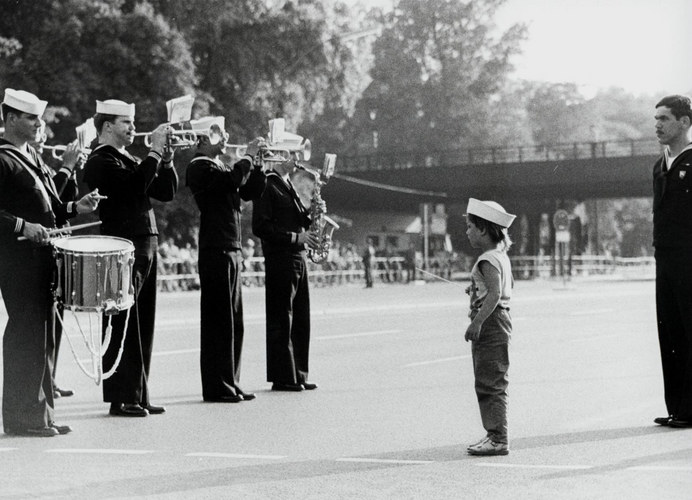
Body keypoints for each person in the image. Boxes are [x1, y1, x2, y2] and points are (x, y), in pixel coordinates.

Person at [0, 88, 101, 436]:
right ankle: (21, 417)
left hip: (42, 258)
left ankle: (41, 415)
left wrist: (77, 207)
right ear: (11, 119)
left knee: (41, 337)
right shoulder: (3, 159)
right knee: (26, 335)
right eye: (32, 118)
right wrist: (21, 225)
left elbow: (54, 207)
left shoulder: (31, 157)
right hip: (17, 260)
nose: (39, 124)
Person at [83, 99, 178, 417]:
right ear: (107, 126)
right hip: (123, 246)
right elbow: (134, 187)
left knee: (143, 322)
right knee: (124, 320)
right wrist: (152, 152)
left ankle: (138, 390)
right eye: (126, 123)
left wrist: (165, 160)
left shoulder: (125, 158)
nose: (133, 128)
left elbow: (165, 192)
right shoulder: (100, 161)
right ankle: (121, 395)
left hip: (143, 244)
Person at [185, 118, 266, 403]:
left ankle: (231, 380)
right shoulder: (199, 166)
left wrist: (257, 165)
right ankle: (217, 384)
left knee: (234, 320)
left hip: (229, 247)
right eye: (218, 134)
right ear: (203, 140)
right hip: (215, 247)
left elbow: (248, 191)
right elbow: (231, 181)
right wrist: (246, 157)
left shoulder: (219, 166)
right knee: (219, 320)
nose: (226, 137)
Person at [252, 156, 321, 392]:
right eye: (293, 155)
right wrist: (295, 237)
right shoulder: (267, 183)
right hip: (281, 257)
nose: (298, 161)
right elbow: (261, 226)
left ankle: (299, 374)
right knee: (282, 319)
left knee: (301, 319)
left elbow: (299, 219)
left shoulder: (286, 183)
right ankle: (283, 377)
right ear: (279, 155)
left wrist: (313, 210)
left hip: (297, 257)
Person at [33, 121, 86, 398]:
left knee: (55, 321)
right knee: (43, 323)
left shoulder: (43, 167)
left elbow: (64, 202)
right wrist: (66, 167)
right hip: (37, 252)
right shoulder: (31, 168)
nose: (41, 138)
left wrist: (72, 170)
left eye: (43, 132)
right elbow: (49, 198)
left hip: (56, 249)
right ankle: (44, 381)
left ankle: (50, 378)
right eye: (37, 131)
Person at [651, 95, 692, 428]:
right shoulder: (660, 164)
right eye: (656, 119)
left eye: (665, 118)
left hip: (690, 260)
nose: (658, 125)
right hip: (665, 260)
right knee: (671, 333)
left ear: (684, 123)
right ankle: (677, 406)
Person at [463, 198, 515, 456]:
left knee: (489, 382)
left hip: (491, 323)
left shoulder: (486, 259)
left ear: (484, 229)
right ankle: (495, 434)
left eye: (471, 226)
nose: (468, 232)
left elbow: (494, 295)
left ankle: (498, 438)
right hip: (502, 320)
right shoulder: (500, 257)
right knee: (494, 380)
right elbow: (500, 290)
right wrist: (475, 291)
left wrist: (477, 322)